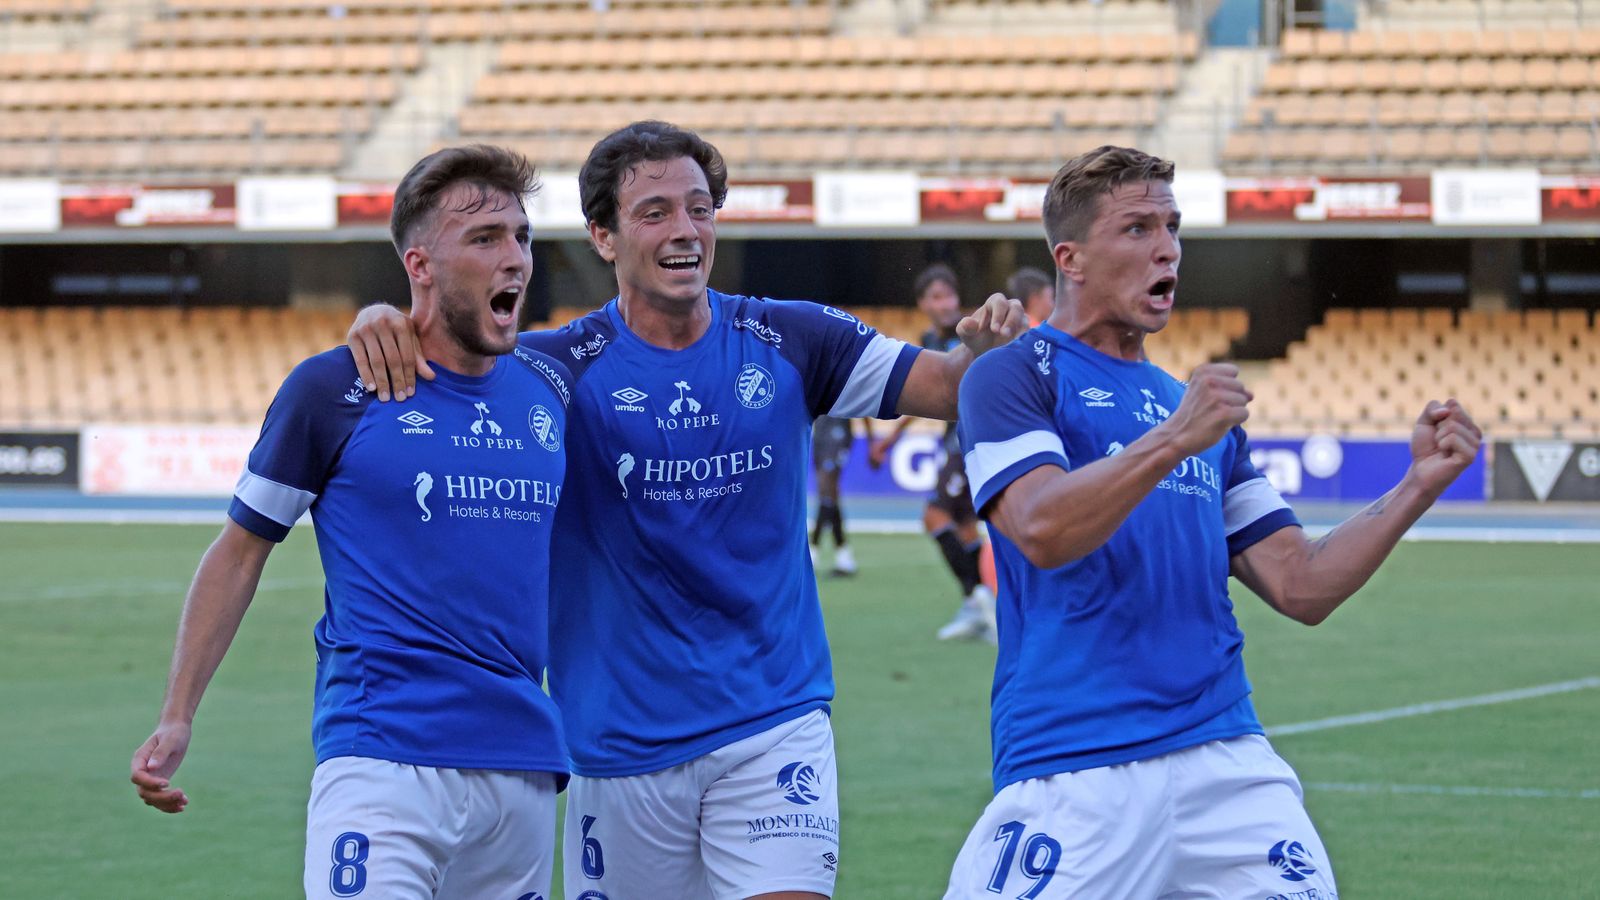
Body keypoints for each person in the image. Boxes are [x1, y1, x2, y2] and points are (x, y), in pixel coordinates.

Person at [345, 121, 1027, 900]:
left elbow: (945, 384)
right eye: (656, 212)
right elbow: (444, 357)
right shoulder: (549, 371)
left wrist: (986, 349)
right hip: (617, 745)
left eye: (699, 208)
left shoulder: (789, 337)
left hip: (773, 722)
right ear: (603, 236)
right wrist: (382, 316)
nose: (685, 230)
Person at [945, 145, 1482, 898]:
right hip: (1076, 766)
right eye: (1136, 229)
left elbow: (1301, 584)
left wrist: (1420, 484)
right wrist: (1173, 440)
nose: (1167, 247)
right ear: (1070, 258)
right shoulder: (1013, 374)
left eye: (1172, 226)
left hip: (1227, 761)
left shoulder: (1192, 410)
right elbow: (1040, 529)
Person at [129, 146, 576, 899]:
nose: (516, 259)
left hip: (523, 769)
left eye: (522, 236)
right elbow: (240, 552)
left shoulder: (553, 383)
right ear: (420, 264)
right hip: (383, 761)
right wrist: (177, 715)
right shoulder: (335, 388)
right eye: (485, 238)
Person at [868, 263, 994, 643]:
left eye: (949, 295)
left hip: (972, 441)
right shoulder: (929, 337)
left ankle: (981, 600)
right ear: (923, 302)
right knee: (966, 525)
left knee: (934, 515)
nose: (944, 304)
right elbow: (927, 392)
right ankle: (981, 605)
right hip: (955, 442)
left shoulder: (971, 334)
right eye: (936, 297)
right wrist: (890, 440)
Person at [810, 414, 859, 576]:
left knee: (827, 491)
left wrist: (872, 439)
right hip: (820, 430)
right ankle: (844, 557)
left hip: (837, 430)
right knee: (830, 496)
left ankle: (812, 552)